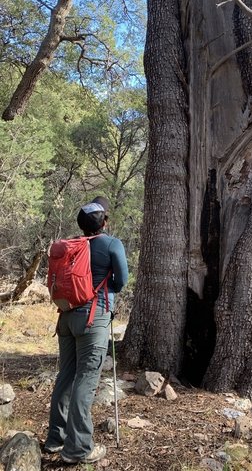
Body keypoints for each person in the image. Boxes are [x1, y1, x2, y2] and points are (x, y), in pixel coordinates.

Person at [44, 196, 128, 464]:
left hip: (66, 317)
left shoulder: (72, 245)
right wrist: (106, 291)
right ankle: (79, 448)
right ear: (104, 222)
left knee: (66, 375)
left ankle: (55, 439)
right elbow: (121, 280)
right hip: (93, 319)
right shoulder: (111, 244)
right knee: (86, 379)